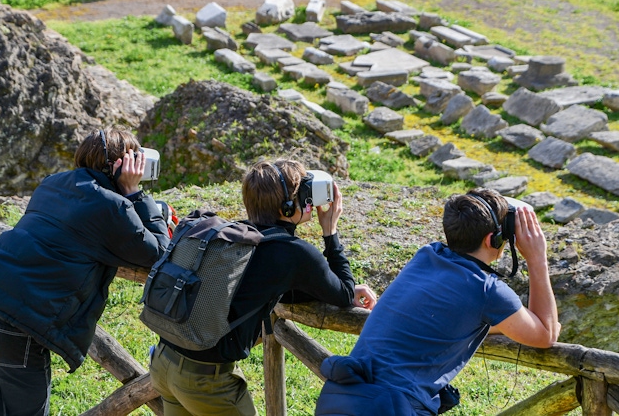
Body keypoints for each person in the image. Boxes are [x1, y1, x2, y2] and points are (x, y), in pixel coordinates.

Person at [0, 128, 174, 416]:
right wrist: (134, 192)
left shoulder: (52, 183)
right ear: (121, 165)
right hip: (13, 325)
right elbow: (159, 253)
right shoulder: (112, 205)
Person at [148, 158, 378, 416]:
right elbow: (344, 294)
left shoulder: (240, 237)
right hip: (205, 382)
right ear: (288, 207)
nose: (308, 199)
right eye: (303, 193)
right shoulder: (294, 253)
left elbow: (283, 288)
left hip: (163, 362)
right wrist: (330, 231)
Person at [315, 187, 561, 416]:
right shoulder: (486, 290)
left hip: (340, 398)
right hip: (391, 406)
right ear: (492, 240)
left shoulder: (426, 255)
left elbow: (447, 320)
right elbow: (546, 334)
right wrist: (537, 258)